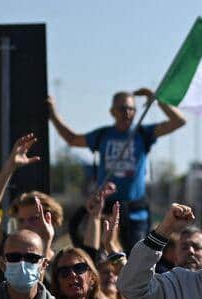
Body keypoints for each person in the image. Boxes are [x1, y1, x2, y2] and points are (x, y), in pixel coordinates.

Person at [47, 90, 186, 248]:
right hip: (105, 210)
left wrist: (157, 99)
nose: (127, 112)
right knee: (97, 254)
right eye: (122, 108)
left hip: (135, 213)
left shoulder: (142, 133)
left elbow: (179, 121)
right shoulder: (103, 135)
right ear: (112, 111)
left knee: (136, 256)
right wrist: (52, 114)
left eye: (131, 108)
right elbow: (72, 139)